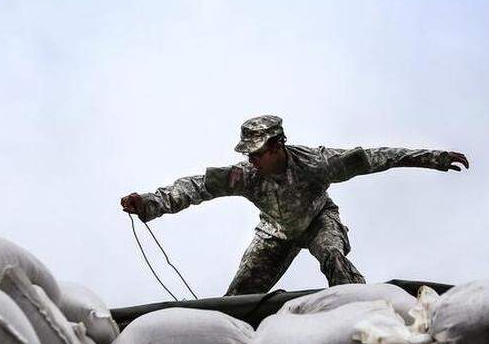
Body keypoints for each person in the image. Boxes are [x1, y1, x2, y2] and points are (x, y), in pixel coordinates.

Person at [120, 115, 469, 296]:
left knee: (333, 257)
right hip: (276, 232)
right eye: (248, 155)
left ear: (277, 146)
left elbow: (376, 158)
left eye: (257, 154)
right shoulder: (246, 176)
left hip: (318, 219)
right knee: (239, 296)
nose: (252, 161)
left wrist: (433, 158)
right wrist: (149, 203)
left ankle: (359, 307)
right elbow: (195, 187)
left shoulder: (317, 163)